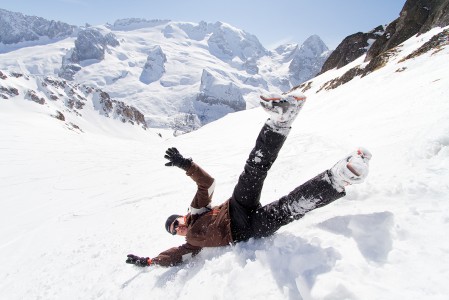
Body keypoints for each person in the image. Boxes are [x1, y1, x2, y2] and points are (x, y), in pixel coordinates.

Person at [126, 90, 372, 268]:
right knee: (290, 208)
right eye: (174, 231)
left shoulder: (196, 211)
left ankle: (280, 121)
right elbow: (174, 256)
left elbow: (207, 183)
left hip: (235, 209)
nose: (177, 228)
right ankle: (339, 178)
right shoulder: (190, 243)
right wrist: (150, 260)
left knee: (254, 170)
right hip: (244, 232)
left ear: (180, 216)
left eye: (175, 222)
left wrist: (187, 165)